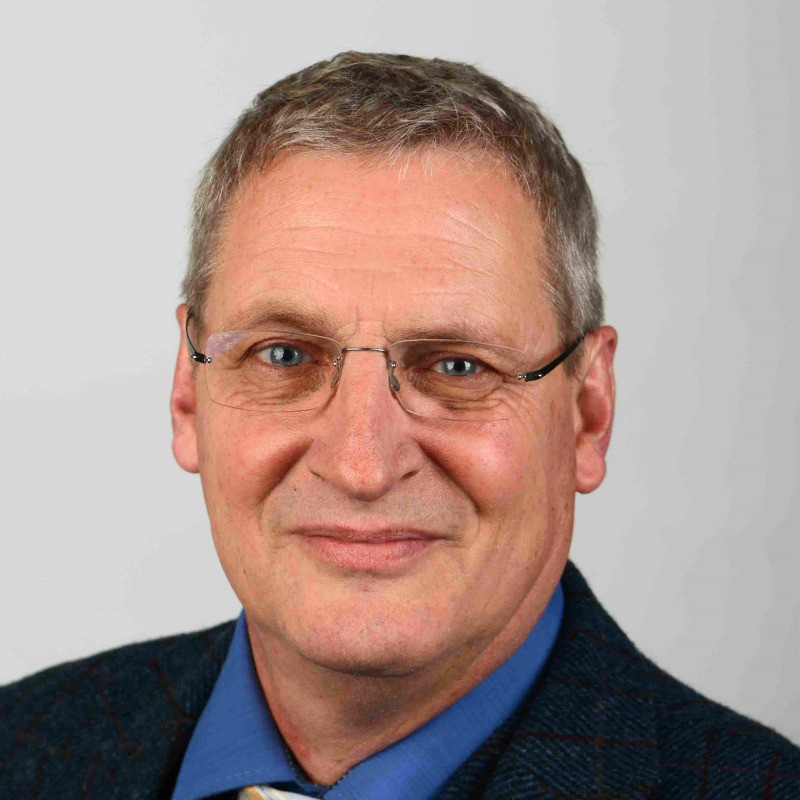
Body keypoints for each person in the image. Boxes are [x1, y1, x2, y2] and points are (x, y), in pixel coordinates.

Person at [0, 51, 796, 800]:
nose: (361, 465)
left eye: (457, 366)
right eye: (283, 355)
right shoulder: (20, 747)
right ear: (188, 394)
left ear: (588, 412)